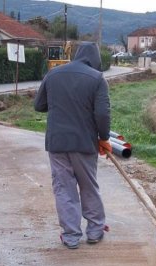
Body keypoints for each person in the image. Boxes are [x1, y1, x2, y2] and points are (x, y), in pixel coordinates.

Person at [34, 42, 112, 249]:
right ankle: (95, 230)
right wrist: (103, 138)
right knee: (88, 186)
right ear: (96, 59)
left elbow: (38, 105)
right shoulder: (97, 79)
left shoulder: (53, 74)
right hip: (84, 143)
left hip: (57, 143)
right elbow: (103, 114)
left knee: (63, 189)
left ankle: (70, 236)